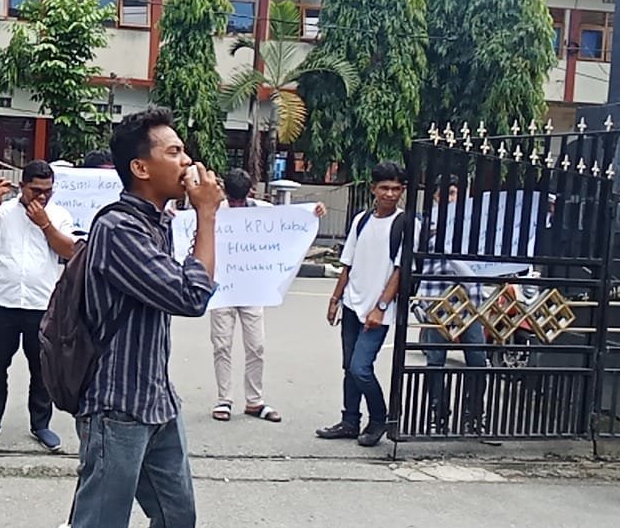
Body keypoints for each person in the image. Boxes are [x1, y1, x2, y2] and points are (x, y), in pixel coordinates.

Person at [54, 106, 221, 528]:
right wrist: (207, 215)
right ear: (140, 167)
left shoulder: (157, 223)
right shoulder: (119, 229)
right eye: (174, 152)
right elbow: (191, 296)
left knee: (177, 519)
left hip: (156, 402)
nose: (187, 161)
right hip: (117, 409)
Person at [0, 159, 75, 450]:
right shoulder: (3, 211)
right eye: (35, 190)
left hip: (42, 305)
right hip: (2, 303)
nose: (42, 196)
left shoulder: (58, 214)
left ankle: (41, 425)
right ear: (22, 186)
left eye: (48, 191)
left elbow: (69, 251)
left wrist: (45, 224)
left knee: (41, 370)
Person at [208, 168, 326, 424]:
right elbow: (192, 225)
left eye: (240, 200)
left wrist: (313, 212)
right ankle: (224, 399)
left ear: (250, 192)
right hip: (223, 287)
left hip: (252, 288)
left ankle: (254, 400)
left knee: (257, 346)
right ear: (226, 194)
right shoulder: (217, 211)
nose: (237, 206)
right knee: (221, 345)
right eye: (233, 200)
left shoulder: (263, 211)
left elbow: (290, 223)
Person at [316, 161, 409, 448]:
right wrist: (335, 299)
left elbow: (400, 271)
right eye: (385, 188)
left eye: (396, 189)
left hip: (378, 310)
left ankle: (380, 418)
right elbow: (348, 263)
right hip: (352, 304)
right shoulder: (362, 220)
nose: (390, 194)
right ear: (373, 189)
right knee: (349, 366)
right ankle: (350, 420)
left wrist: (380, 307)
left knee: (361, 367)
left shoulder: (405, 224)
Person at [415, 176, 487, 434]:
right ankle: (438, 415)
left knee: (477, 359)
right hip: (438, 299)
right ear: (436, 196)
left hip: (469, 301)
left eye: (454, 193)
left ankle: (474, 416)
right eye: (445, 193)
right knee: (436, 360)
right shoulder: (425, 224)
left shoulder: (474, 223)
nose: (450, 198)